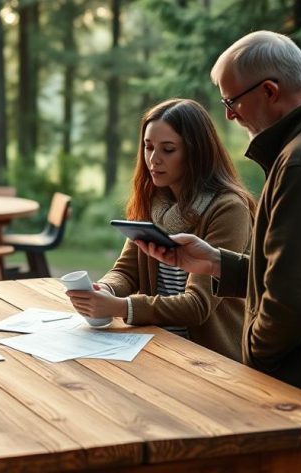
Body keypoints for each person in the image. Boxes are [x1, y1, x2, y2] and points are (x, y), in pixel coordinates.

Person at [145, 31, 301, 473]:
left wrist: (251, 366)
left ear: (269, 91)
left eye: (232, 102)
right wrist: (216, 261)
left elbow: (293, 302)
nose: (229, 115)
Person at [65, 99, 253, 361]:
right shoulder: (153, 202)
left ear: (195, 152)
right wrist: (105, 290)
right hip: (157, 345)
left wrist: (121, 307)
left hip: (209, 358)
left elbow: (198, 305)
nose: (154, 159)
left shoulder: (228, 210)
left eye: (168, 149)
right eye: (148, 146)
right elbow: (125, 271)